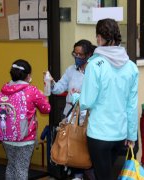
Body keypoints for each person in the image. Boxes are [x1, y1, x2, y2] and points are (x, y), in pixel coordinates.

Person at [76, 18, 139, 180]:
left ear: (99, 38)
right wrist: (132, 136)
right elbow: (132, 105)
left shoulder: (95, 65)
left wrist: (76, 96)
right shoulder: (131, 66)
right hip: (121, 135)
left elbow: (86, 102)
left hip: (99, 134)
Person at [49, 39, 96, 180]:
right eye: (74, 54)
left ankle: (85, 173)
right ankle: (77, 175)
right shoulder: (70, 70)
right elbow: (58, 89)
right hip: (69, 116)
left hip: (88, 118)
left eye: (80, 55)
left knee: (85, 149)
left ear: (88, 55)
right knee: (73, 146)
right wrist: (51, 83)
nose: (76, 57)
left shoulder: (94, 71)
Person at [1, 59, 51, 180]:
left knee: (11, 166)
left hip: (6, 136)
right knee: (21, 168)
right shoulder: (32, 91)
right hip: (25, 138)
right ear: (28, 75)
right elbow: (46, 109)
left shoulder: (4, 90)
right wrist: (42, 96)